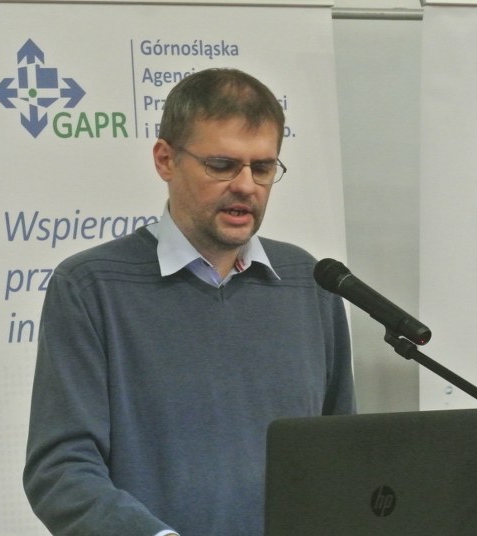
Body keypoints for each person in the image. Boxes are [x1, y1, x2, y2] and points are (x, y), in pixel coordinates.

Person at [23, 68, 356, 536]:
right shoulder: (91, 287)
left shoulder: (309, 281)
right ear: (166, 160)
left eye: (263, 168)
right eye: (222, 165)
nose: (246, 186)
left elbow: (342, 455)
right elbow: (61, 471)